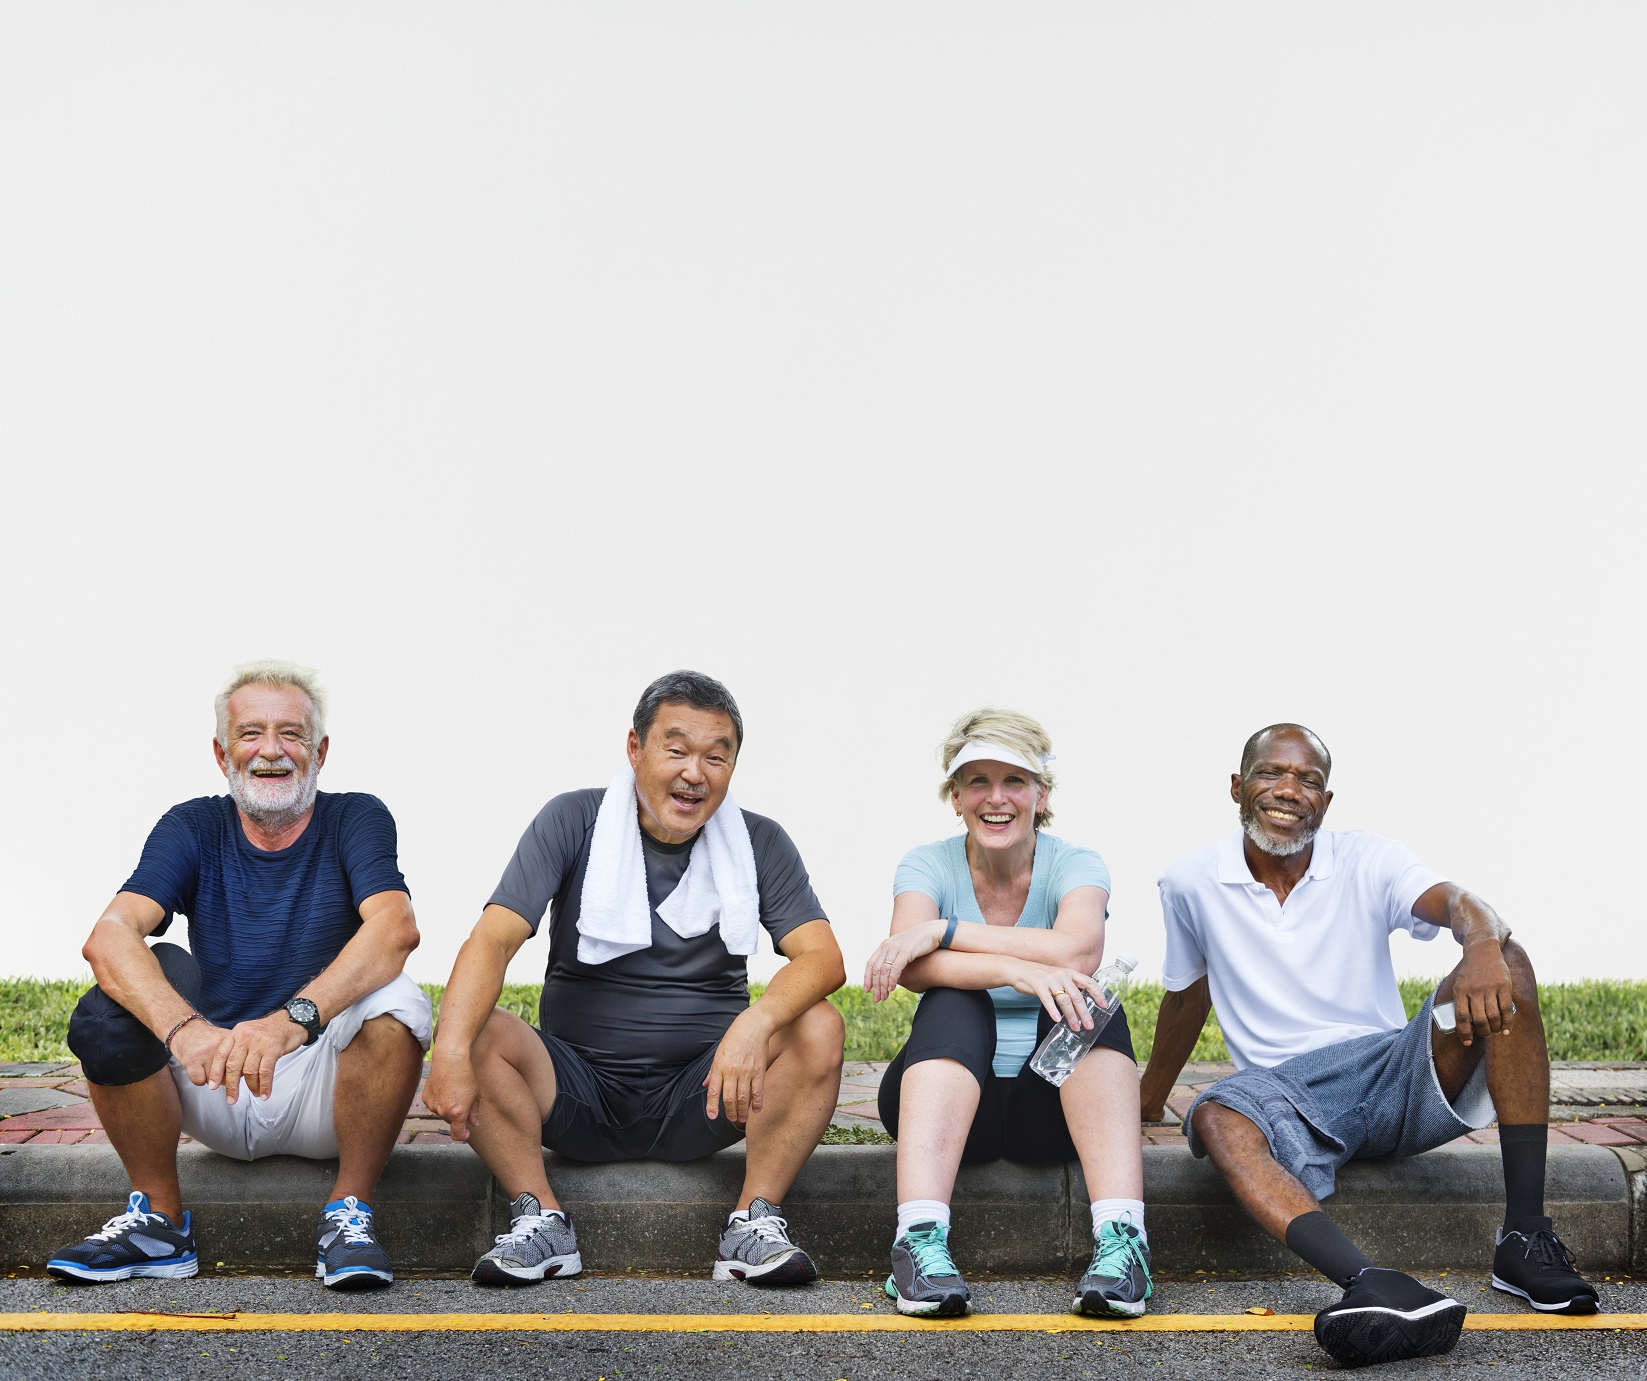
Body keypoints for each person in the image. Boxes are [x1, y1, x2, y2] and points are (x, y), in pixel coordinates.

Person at [1140, 722, 1598, 1368]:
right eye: (1272, 772)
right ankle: (1373, 1283)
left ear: (1325, 802)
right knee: (1215, 1112)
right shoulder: (1188, 881)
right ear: (1237, 786)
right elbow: (1188, 995)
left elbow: (1460, 902)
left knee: (1510, 963)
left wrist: (1483, 943)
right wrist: (1149, 1095)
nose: (1288, 789)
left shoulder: (1366, 858)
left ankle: (1524, 1236)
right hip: (1284, 1094)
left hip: (1391, 1072)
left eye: (1308, 779)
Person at [424, 670, 846, 1287]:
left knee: (817, 1024)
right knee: (480, 1030)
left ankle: (753, 1223)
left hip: (703, 1094)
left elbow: (823, 958)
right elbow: (494, 937)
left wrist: (756, 1022)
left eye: (715, 757)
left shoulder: (760, 840)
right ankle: (540, 1222)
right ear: (635, 748)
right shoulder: (573, 819)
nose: (694, 773)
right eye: (676, 750)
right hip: (575, 1090)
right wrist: (451, 1050)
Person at [48, 660, 430, 1290]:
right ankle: (160, 1224)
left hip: (324, 1088)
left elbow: (395, 928)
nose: (271, 751)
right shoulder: (193, 825)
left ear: (320, 751)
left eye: (292, 734)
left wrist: (291, 1023)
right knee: (112, 1003)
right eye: (251, 734)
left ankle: (349, 1213)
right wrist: (185, 1031)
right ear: (221, 753)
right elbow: (109, 936)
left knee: (398, 999)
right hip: (215, 1078)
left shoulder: (356, 818)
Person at [863, 708, 1149, 1319]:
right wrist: (1013, 969)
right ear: (956, 797)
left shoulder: (1076, 863)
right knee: (953, 998)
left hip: (1050, 1109)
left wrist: (945, 931)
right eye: (978, 782)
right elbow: (907, 964)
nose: (997, 799)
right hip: (948, 1106)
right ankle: (916, 1243)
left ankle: (1125, 1243)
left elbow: (1078, 949)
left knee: (1088, 1001)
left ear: (1041, 795)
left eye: (1014, 781)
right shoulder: (926, 864)